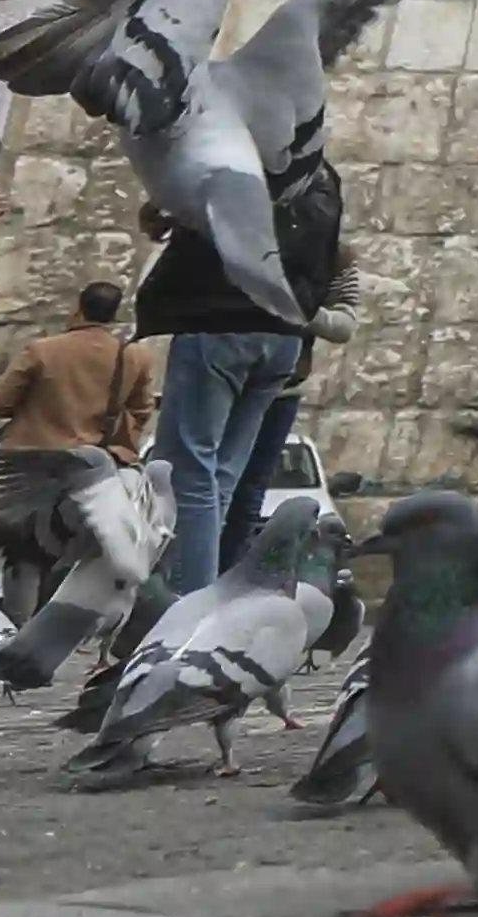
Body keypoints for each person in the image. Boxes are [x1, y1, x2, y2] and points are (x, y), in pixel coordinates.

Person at [142, 88, 347, 597]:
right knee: (223, 478)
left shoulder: (231, 163)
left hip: (219, 324)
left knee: (187, 471)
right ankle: (206, 594)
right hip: (281, 341)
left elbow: (162, 214)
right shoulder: (323, 179)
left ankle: (190, 600)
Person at [0, 277, 158, 465]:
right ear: (114, 315)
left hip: (29, 456)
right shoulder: (135, 357)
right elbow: (141, 411)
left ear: (78, 309)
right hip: (93, 460)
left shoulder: (41, 350)